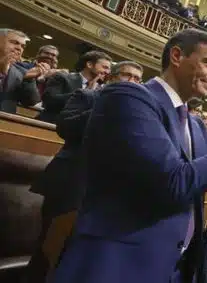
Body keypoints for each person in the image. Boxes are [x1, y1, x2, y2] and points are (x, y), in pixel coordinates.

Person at [51, 29, 207, 283]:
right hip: (118, 264)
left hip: (175, 266)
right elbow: (174, 181)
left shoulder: (195, 125)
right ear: (176, 56)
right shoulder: (129, 98)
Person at [26, 61, 143, 283]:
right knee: (48, 248)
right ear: (111, 78)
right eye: (127, 76)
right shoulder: (88, 96)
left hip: (103, 191)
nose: (132, 82)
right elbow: (65, 127)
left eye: (137, 79)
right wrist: (108, 107)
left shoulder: (137, 113)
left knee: (78, 253)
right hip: (70, 180)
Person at [38, 50, 112, 123]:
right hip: (48, 125)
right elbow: (49, 101)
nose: (107, 72)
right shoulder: (62, 77)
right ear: (89, 65)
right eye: (105, 67)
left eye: (109, 69)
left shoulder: (100, 90)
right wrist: (84, 93)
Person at [0, 29, 41, 113]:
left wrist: (29, 79)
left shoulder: (19, 72)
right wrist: (2, 73)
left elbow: (31, 101)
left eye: (23, 46)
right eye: (14, 42)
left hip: (5, 122)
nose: (19, 48)